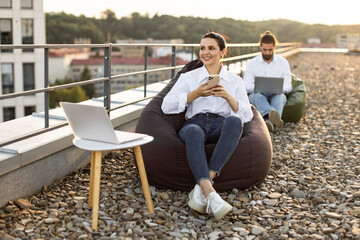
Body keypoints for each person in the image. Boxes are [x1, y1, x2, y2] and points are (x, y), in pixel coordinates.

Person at [161, 32, 253, 220]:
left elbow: (248, 114)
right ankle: (211, 193)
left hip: (221, 125)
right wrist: (195, 94)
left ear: (222, 52)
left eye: (211, 48)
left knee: (235, 121)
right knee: (194, 131)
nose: (205, 52)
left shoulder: (235, 81)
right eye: (202, 48)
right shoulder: (189, 77)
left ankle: (203, 187)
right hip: (195, 124)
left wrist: (228, 96)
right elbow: (166, 105)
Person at [243, 31, 292, 132]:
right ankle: (272, 115)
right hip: (258, 94)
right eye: (264, 49)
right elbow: (246, 85)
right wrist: (259, 88)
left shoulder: (283, 62)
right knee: (256, 96)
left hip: (277, 94)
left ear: (275, 47)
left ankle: (268, 122)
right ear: (260, 46)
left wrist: (276, 88)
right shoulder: (252, 63)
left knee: (280, 97)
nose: (267, 52)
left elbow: (288, 86)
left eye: (270, 49)